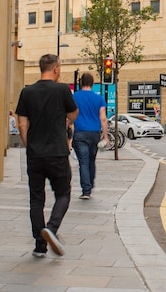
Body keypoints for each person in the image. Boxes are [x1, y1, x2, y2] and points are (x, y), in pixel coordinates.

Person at [16, 54, 78, 258]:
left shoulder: (27, 92)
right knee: (63, 194)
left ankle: (39, 245)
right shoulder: (61, 90)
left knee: (36, 199)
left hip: (35, 154)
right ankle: (51, 228)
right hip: (57, 152)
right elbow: (73, 114)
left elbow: (22, 125)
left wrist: (30, 146)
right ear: (56, 69)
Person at [71, 72, 108, 199]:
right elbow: (103, 118)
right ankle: (90, 184)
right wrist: (106, 136)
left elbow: (70, 116)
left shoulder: (75, 97)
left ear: (81, 83)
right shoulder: (99, 98)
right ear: (92, 83)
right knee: (91, 160)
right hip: (94, 134)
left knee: (83, 162)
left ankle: (86, 190)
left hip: (80, 133)